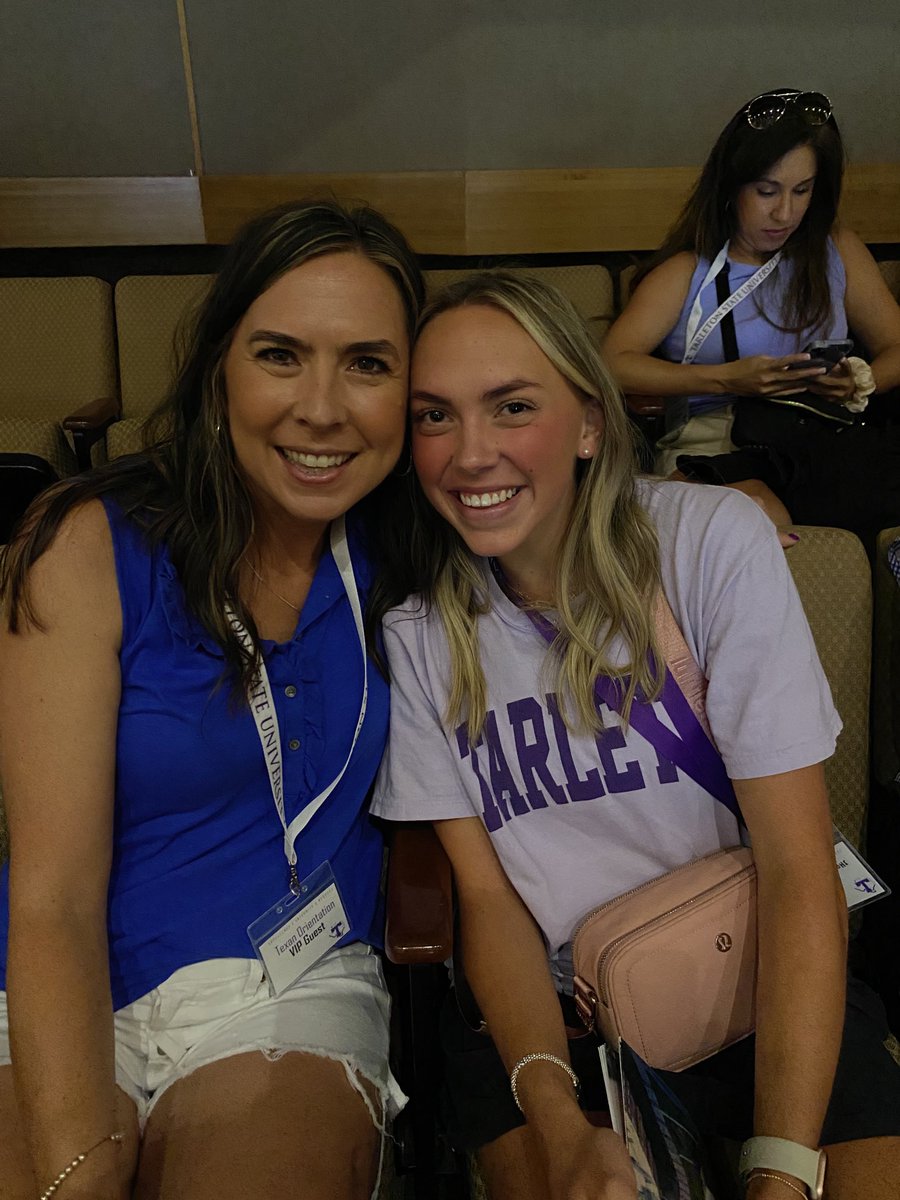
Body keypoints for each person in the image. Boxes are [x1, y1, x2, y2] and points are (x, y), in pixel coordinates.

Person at [372, 271, 900, 1200]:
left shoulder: (707, 545)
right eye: (434, 416)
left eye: (513, 406)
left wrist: (781, 1168)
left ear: (587, 424)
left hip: (755, 982)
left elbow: (795, 863)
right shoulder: (421, 635)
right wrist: (561, 1122)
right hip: (557, 1030)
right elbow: (490, 908)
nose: (471, 454)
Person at [0, 199, 424, 1200]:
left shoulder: (414, 545)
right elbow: (52, 896)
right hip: (57, 976)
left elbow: (556, 473)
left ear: (412, 390)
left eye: (367, 363)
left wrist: (720, 494)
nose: (322, 408)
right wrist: (77, 1173)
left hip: (286, 988)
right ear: (219, 369)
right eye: (281, 354)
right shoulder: (90, 545)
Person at [603, 88, 900, 544]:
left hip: (815, 435)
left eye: (802, 190)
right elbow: (612, 363)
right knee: (752, 507)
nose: (785, 212)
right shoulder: (688, 271)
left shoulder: (834, 249)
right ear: (731, 186)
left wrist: (861, 382)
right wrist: (726, 380)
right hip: (715, 436)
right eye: (767, 191)